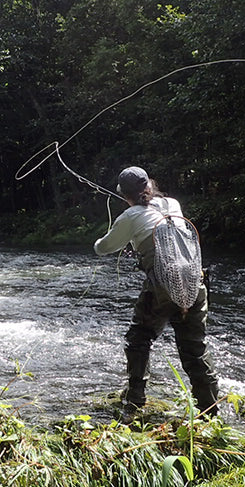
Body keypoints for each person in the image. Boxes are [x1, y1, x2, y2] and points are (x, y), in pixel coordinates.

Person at [94, 166, 221, 423]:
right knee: (195, 349)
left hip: (163, 287)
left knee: (139, 337)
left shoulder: (130, 215)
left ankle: (135, 398)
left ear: (124, 194)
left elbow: (104, 248)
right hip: (195, 281)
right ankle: (211, 412)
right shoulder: (172, 203)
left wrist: (101, 241)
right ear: (150, 186)